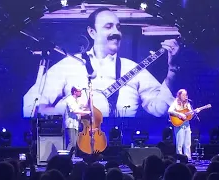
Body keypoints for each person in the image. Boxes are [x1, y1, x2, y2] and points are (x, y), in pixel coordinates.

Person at [23, 7, 180, 118]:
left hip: (121, 143)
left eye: (118, 27)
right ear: (92, 32)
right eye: (108, 27)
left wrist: (172, 69)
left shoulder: (132, 68)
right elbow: (31, 105)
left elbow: (159, 110)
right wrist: (67, 114)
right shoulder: (70, 65)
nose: (116, 32)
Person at [168, 89, 200, 159]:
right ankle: (179, 159)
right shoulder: (175, 103)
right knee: (180, 144)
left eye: (186, 94)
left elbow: (190, 114)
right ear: (179, 95)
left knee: (187, 144)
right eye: (183, 95)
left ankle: (188, 159)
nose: (185, 96)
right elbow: (170, 110)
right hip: (179, 125)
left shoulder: (187, 104)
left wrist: (195, 112)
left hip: (187, 125)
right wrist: (179, 114)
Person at [64, 86, 91, 151]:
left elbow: (82, 108)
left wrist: (89, 100)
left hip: (76, 124)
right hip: (71, 124)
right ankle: (66, 158)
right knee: (72, 143)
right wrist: (87, 112)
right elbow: (75, 111)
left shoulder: (77, 100)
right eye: (79, 91)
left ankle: (72, 158)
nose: (81, 93)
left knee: (75, 144)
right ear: (75, 92)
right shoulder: (70, 99)